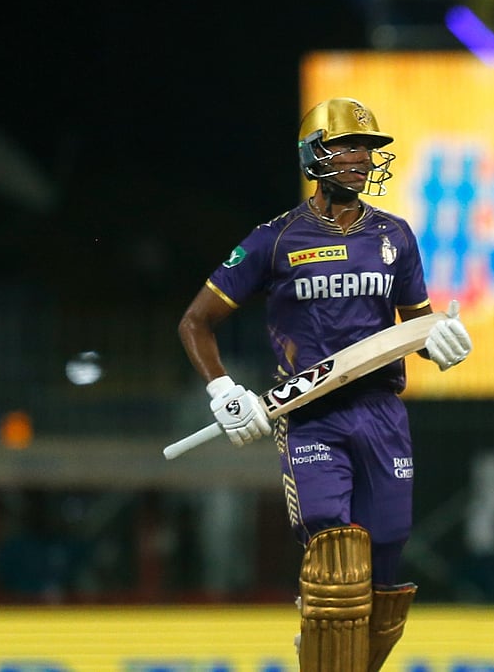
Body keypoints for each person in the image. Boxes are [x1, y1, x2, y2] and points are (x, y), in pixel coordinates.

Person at [177, 97, 473, 672]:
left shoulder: (395, 236)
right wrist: (223, 391)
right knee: (335, 550)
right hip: (310, 414)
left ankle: (322, 651)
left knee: (386, 551)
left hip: (382, 411)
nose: (362, 158)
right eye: (347, 146)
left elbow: (416, 323)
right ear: (314, 155)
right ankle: (321, 628)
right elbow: (195, 322)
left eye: (368, 147)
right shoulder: (274, 239)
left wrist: (438, 340)